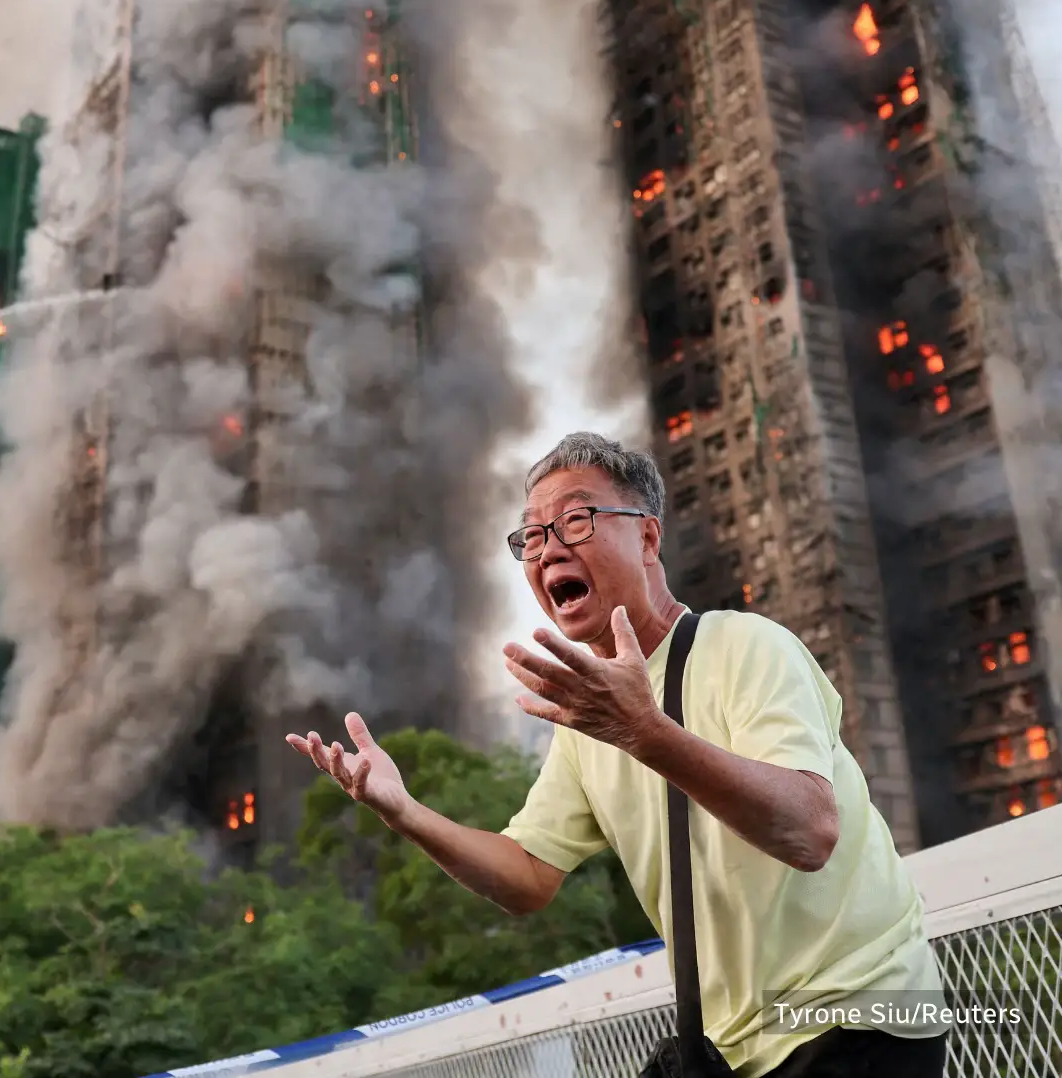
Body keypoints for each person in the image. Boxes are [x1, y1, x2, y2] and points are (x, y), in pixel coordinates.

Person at [287, 432, 950, 1077]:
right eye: (532, 536)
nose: (550, 548)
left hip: (859, 1016)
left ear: (649, 538)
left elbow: (809, 831)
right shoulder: (588, 722)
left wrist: (644, 731)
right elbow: (527, 876)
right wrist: (404, 812)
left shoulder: (746, 646)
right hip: (733, 1048)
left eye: (576, 521)